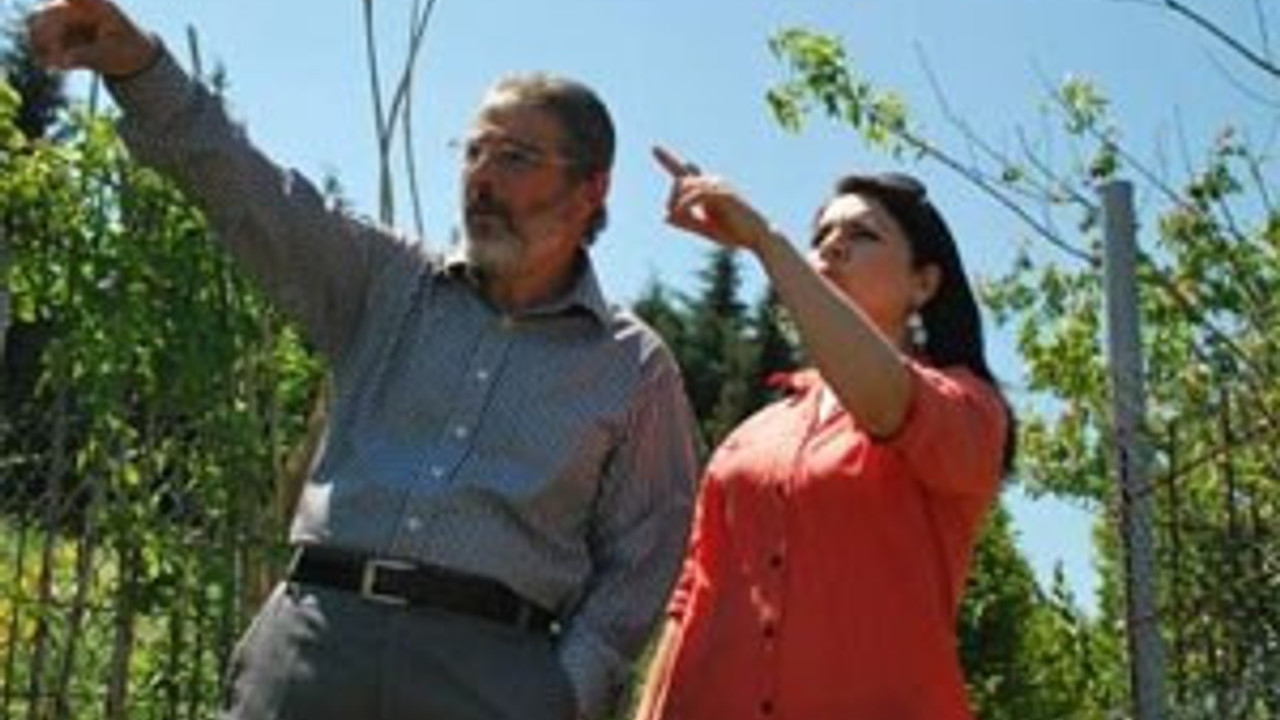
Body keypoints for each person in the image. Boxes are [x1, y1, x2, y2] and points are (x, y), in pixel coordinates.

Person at [26, 2, 701, 719]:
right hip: (313, 647)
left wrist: (561, 692)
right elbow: (253, 195)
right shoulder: (386, 282)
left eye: (514, 158)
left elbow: (644, 558)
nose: (480, 177)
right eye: (473, 151)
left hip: (492, 679)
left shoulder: (633, 368)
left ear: (592, 188)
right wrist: (138, 67)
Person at [634, 146, 1016, 720]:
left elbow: (887, 403)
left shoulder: (968, 410)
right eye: (821, 236)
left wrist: (766, 242)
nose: (833, 246)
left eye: (862, 235)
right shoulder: (752, 436)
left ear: (923, 283)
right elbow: (692, 599)